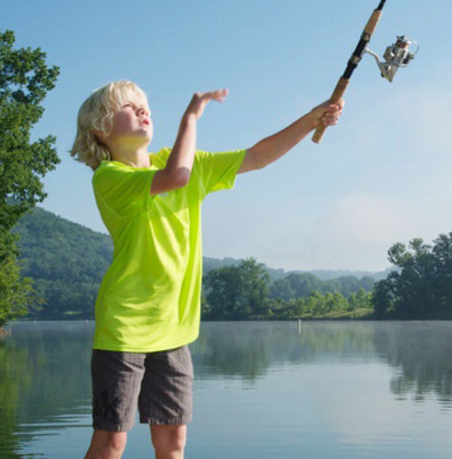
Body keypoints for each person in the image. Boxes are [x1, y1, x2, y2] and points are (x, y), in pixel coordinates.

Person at [70, 80, 342, 459]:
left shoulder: (189, 163)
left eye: (144, 105)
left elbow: (257, 156)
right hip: (125, 329)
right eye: (129, 108)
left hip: (174, 329)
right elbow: (174, 178)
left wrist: (311, 119)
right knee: (111, 442)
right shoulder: (110, 177)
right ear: (101, 128)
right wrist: (191, 117)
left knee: (173, 441)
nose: (143, 111)